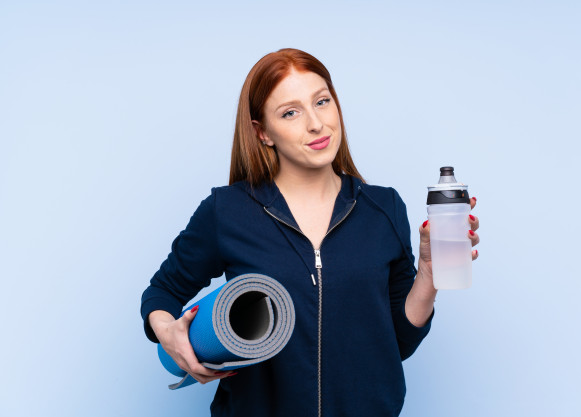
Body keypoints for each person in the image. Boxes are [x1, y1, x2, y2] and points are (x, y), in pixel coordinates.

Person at [140, 48, 480, 417]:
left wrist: (429, 276)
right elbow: (163, 291)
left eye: (322, 102)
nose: (316, 124)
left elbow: (397, 341)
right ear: (263, 133)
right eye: (290, 112)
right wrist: (168, 332)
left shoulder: (384, 209)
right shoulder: (228, 211)